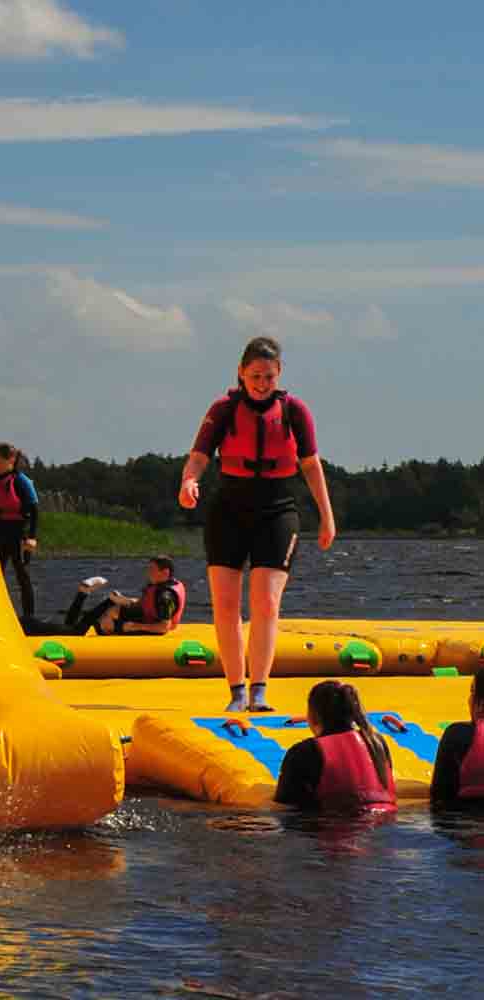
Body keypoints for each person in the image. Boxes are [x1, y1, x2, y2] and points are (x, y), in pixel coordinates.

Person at [178, 337, 336, 712]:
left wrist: (327, 517)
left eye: (269, 376)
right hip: (228, 510)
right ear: (241, 373)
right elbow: (199, 456)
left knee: (265, 602)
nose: (262, 384)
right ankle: (236, 691)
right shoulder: (224, 409)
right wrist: (188, 481)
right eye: (255, 376)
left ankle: (259, 689)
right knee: (226, 603)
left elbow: (311, 465)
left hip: (277, 510)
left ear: (279, 373)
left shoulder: (295, 411)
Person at [273, 681, 397, 815]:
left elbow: (285, 806)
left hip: (335, 823)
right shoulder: (377, 742)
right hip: (386, 819)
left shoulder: (304, 751)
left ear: (313, 715)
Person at [25, 556, 186, 637]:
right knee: (76, 629)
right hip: (136, 618)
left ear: (165, 573)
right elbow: (145, 604)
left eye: (152, 570)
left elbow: (164, 627)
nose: (148, 573)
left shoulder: (166, 596)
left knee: (76, 629)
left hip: (138, 625)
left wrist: (132, 626)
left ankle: (82, 594)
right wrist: (124, 600)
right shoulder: (158, 586)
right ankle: (32, 624)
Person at [0, 442, 39, 619]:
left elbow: (34, 510)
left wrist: (32, 537)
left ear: (11, 460)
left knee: (22, 574)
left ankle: (29, 617)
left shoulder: (20, 481)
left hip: (18, 533)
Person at [431, 672, 484, 809]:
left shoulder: (457, 734)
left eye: (472, 692)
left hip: (464, 817)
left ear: (481, 703)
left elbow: (439, 795)